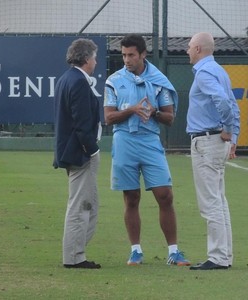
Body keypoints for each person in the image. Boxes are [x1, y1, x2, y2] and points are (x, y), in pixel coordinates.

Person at [104, 34, 190, 266]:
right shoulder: (114, 80)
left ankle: (173, 251)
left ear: (143, 54)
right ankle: (135, 251)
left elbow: (170, 118)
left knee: (165, 195)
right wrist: (132, 110)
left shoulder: (159, 80)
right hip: (124, 141)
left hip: (150, 141)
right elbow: (109, 117)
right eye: (123, 55)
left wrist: (153, 113)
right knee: (131, 198)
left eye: (131, 55)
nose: (127, 59)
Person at [186, 32, 240, 270]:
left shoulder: (204, 72)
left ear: (198, 48)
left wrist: (228, 129)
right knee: (219, 200)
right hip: (216, 141)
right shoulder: (219, 70)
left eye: (189, 47)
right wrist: (232, 135)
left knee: (210, 202)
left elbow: (224, 103)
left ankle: (217, 257)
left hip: (207, 141)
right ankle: (224, 255)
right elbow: (232, 104)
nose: (187, 50)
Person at [53, 38, 102, 269]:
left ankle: (77, 253)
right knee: (80, 205)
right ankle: (74, 257)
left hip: (72, 151)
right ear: (85, 59)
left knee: (88, 203)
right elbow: (82, 123)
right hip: (80, 153)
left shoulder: (66, 79)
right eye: (94, 57)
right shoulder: (79, 82)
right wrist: (92, 150)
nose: (96, 61)